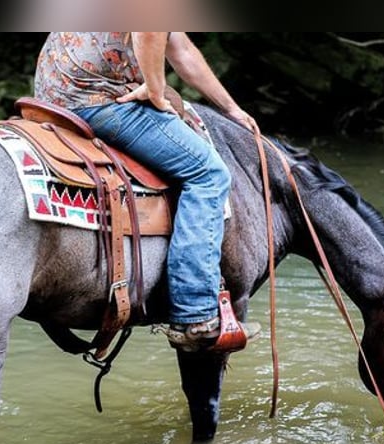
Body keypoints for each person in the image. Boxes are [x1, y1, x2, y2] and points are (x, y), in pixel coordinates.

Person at [34, 32, 260, 352]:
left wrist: (231, 109)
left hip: (52, 94)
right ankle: (196, 313)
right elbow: (150, 29)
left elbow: (179, 47)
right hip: (98, 100)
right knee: (208, 175)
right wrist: (155, 90)